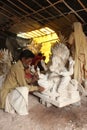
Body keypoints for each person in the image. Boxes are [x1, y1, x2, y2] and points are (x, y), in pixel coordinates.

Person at [0, 49, 44, 115]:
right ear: (23, 59)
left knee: (25, 88)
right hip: (6, 93)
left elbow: (23, 80)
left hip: (10, 89)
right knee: (24, 90)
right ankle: (12, 104)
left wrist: (33, 79)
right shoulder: (18, 68)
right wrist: (37, 88)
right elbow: (24, 85)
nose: (30, 63)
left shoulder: (20, 66)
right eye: (29, 60)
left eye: (31, 61)